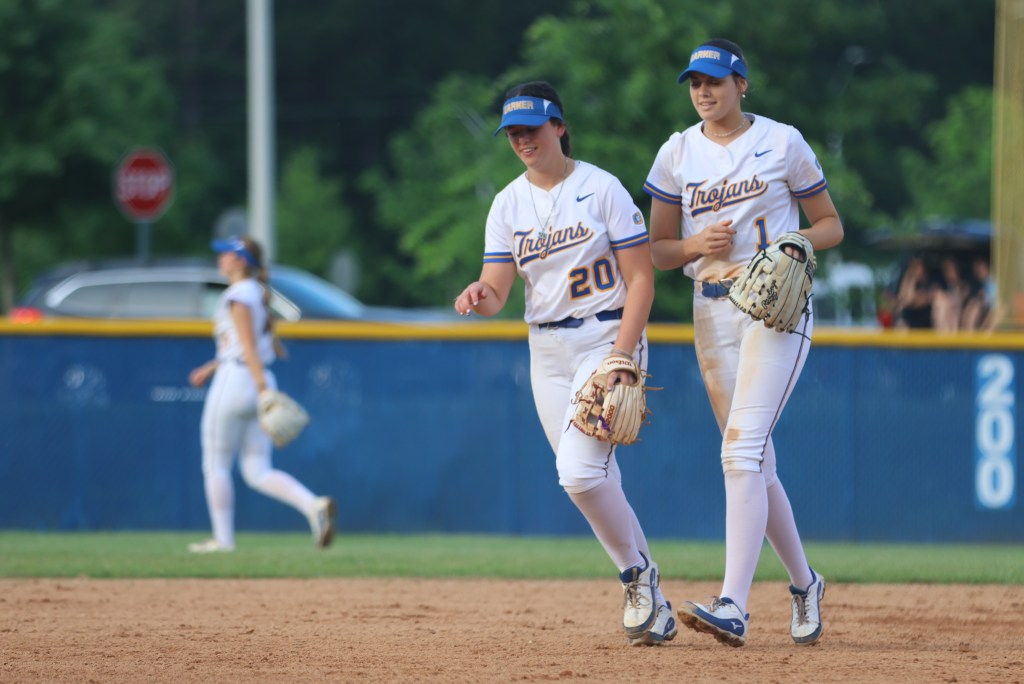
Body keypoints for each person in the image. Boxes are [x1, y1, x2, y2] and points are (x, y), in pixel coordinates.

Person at [453, 81, 675, 646]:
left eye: (531, 128)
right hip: (546, 351)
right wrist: (481, 293)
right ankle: (654, 600)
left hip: (605, 337)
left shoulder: (600, 188)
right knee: (595, 478)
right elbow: (499, 289)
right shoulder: (507, 203)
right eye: (513, 132)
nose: (522, 140)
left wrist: (624, 352)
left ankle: (636, 578)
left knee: (578, 472)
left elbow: (642, 279)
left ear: (559, 125)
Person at [644, 39, 844, 647]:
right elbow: (659, 250)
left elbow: (831, 225)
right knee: (756, 461)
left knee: (740, 453)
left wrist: (796, 242)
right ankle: (805, 584)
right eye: (695, 83)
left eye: (714, 81)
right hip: (711, 312)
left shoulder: (782, 141)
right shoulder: (677, 151)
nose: (703, 92)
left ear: (742, 85)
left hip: (774, 310)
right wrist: (692, 246)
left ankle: (733, 603)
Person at [187, 235, 336, 553]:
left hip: (239, 381)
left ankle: (223, 540)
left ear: (241, 260)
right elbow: (245, 346)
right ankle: (313, 505)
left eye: (226, 254)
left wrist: (263, 391)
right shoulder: (257, 291)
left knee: (215, 464)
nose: (221, 259)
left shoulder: (238, 294)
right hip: (256, 376)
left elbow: (247, 347)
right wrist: (213, 367)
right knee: (257, 470)